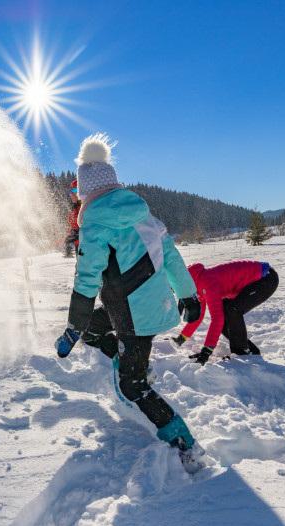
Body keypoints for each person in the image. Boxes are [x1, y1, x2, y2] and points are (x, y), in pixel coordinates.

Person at [54, 133, 203, 459]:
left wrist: (71, 329)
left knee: (131, 386)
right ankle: (122, 352)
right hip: (137, 307)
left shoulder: (94, 224)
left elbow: (86, 282)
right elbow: (173, 257)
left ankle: (182, 442)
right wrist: (189, 297)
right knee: (95, 329)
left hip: (137, 318)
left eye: (79, 194)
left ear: (86, 191)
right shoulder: (145, 216)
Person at [173, 260, 279, 364]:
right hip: (257, 279)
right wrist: (180, 339)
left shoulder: (205, 282)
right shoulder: (195, 286)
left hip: (265, 277)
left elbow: (216, 318)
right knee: (226, 317)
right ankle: (251, 351)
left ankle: (242, 353)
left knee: (233, 310)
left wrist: (206, 351)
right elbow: (198, 316)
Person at [63, 180, 81, 255]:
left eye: (74, 190)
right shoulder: (72, 212)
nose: (72, 194)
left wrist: (80, 235)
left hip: (91, 246)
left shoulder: (88, 206)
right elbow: (73, 230)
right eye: (70, 192)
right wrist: (65, 237)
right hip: (78, 246)